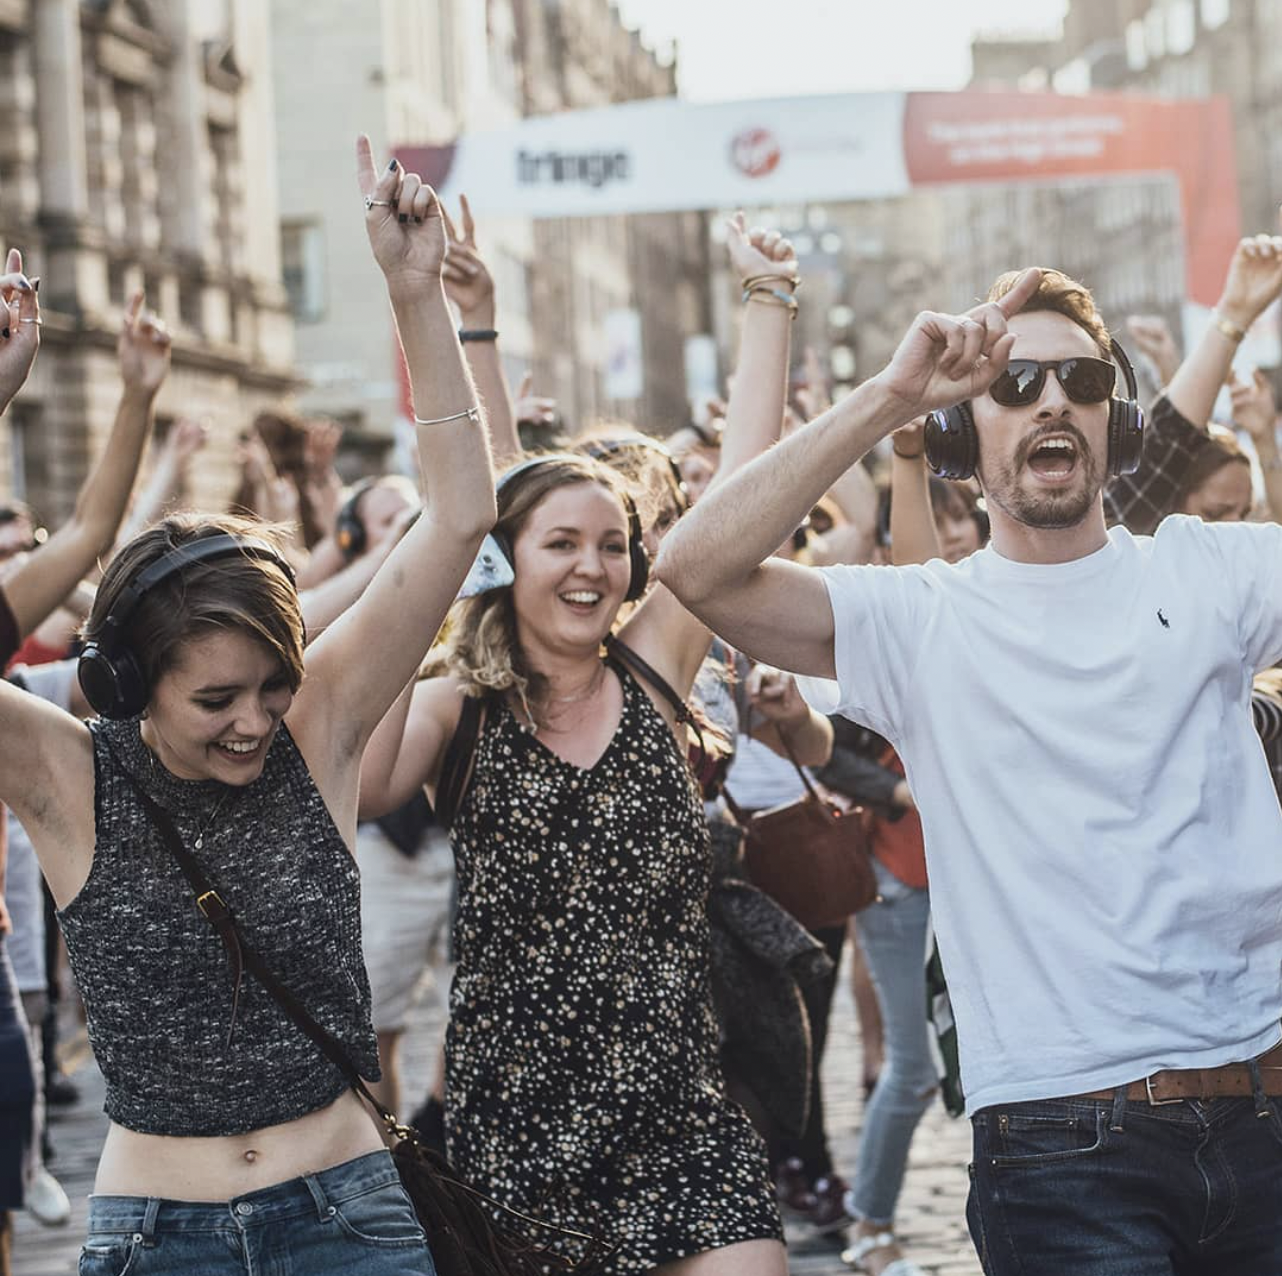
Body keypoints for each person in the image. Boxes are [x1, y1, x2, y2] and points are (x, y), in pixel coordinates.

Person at [656, 231, 1282, 1273]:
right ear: (959, 429)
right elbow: (694, 565)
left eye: (1079, 380)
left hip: (1263, 1105)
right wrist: (891, 396)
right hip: (1061, 1146)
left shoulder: (1207, 571)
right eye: (1011, 380)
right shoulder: (920, 618)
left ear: (1112, 421)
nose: (1049, 400)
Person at [0, 139, 496, 1276]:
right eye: (215, 697)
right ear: (129, 682)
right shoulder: (70, 770)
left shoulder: (318, 724)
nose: (254, 721)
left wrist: (414, 294)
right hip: (155, 1237)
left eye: (272, 684)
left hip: (352, 1219)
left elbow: (461, 516)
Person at [359, 217, 806, 1275]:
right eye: (560, 543)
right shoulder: (455, 707)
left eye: (613, 545)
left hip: (680, 1110)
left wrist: (768, 298)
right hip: (518, 1130)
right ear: (502, 561)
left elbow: (745, 488)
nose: (592, 566)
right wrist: (430, 567)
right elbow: (361, 772)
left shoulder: (655, 667)